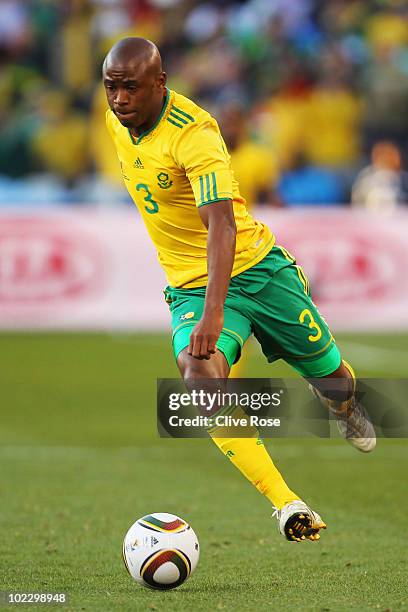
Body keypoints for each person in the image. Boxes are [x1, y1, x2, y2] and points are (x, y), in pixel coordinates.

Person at [103, 37, 375, 543]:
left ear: (161, 85)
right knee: (202, 381)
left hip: (258, 272)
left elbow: (222, 226)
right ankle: (285, 503)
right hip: (190, 285)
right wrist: (203, 310)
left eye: (130, 88)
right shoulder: (115, 121)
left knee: (335, 379)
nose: (119, 100)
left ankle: (341, 404)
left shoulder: (196, 135)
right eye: (111, 87)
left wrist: (213, 314)